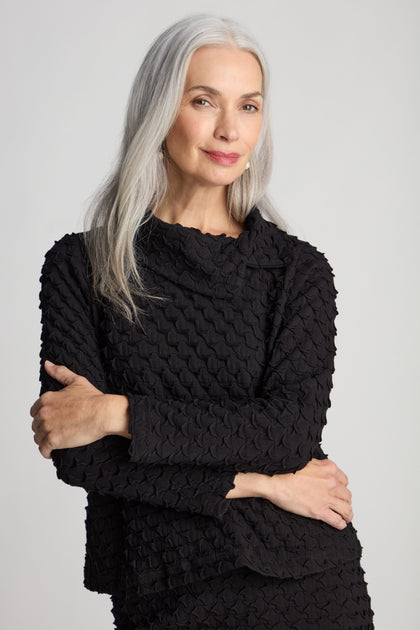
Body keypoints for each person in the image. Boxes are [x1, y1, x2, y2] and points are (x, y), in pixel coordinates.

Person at [30, 14, 375, 630]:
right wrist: (263, 485)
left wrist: (118, 414)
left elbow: (288, 431)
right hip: (161, 582)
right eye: (202, 101)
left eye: (248, 106)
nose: (228, 129)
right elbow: (77, 455)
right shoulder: (81, 264)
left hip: (304, 583)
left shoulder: (296, 271)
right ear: (160, 113)